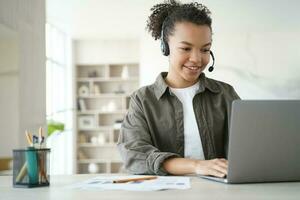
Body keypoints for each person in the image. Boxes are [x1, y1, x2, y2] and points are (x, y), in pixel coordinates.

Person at [117, 0, 240, 177]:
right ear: (165, 47)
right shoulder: (143, 99)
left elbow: (246, 147)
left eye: (205, 50)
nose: (197, 59)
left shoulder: (225, 94)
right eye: (185, 48)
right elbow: (135, 155)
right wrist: (196, 166)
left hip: (219, 191)